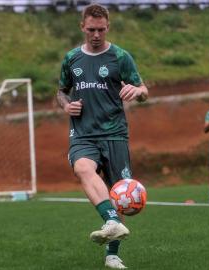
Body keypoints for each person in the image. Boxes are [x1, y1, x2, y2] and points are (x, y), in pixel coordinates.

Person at [56, 4, 148, 269]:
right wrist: (65, 104)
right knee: (82, 168)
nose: (96, 34)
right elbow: (61, 90)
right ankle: (110, 220)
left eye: (101, 29)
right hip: (82, 134)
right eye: (91, 29)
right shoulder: (71, 58)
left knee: (120, 193)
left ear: (108, 27)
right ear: (82, 27)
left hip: (115, 134)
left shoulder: (120, 57)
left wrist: (137, 91)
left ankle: (112, 255)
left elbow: (144, 91)